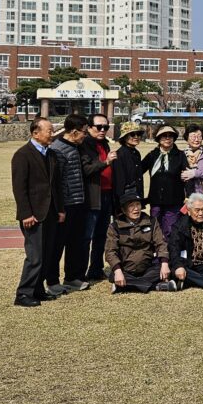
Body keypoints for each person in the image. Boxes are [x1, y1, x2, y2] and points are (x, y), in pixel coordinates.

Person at [11, 117, 63, 307]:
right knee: (35, 256)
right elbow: (19, 188)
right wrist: (26, 213)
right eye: (49, 131)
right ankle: (23, 294)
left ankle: (38, 290)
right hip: (33, 214)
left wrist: (60, 210)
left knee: (47, 254)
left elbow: (56, 186)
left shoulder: (51, 154)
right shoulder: (22, 155)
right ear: (35, 133)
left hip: (50, 213)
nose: (52, 134)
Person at [47, 114, 91, 293]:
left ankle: (72, 277)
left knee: (75, 243)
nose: (85, 135)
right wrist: (60, 208)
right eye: (84, 132)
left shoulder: (77, 147)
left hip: (79, 203)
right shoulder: (58, 149)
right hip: (65, 206)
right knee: (57, 245)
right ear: (73, 131)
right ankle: (52, 281)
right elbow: (56, 182)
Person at [105, 192, 175, 294]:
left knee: (168, 267)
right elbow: (110, 252)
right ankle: (156, 286)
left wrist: (164, 263)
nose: (136, 208)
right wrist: (118, 271)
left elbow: (161, 243)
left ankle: (124, 286)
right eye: (131, 205)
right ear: (123, 210)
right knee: (113, 275)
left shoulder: (152, 221)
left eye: (138, 204)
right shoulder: (114, 226)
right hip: (126, 270)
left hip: (148, 268)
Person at [82, 113, 118, 282]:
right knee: (86, 236)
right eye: (99, 127)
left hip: (107, 195)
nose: (103, 130)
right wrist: (106, 162)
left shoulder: (104, 144)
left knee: (101, 235)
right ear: (89, 128)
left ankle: (95, 269)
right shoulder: (85, 144)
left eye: (106, 127)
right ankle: (78, 273)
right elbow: (87, 169)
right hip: (92, 196)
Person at [142, 125, 186, 239]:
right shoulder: (152, 155)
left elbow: (187, 177)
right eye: (164, 136)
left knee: (171, 232)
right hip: (155, 201)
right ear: (158, 138)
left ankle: (170, 251)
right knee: (155, 231)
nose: (167, 138)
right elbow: (138, 171)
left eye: (170, 136)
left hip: (174, 202)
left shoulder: (180, 155)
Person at [111, 120, 144, 205]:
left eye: (138, 134)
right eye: (132, 134)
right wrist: (121, 202)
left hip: (136, 195)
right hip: (126, 198)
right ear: (125, 137)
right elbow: (119, 181)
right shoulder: (120, 154)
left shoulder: (136, 153)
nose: (136, 137)